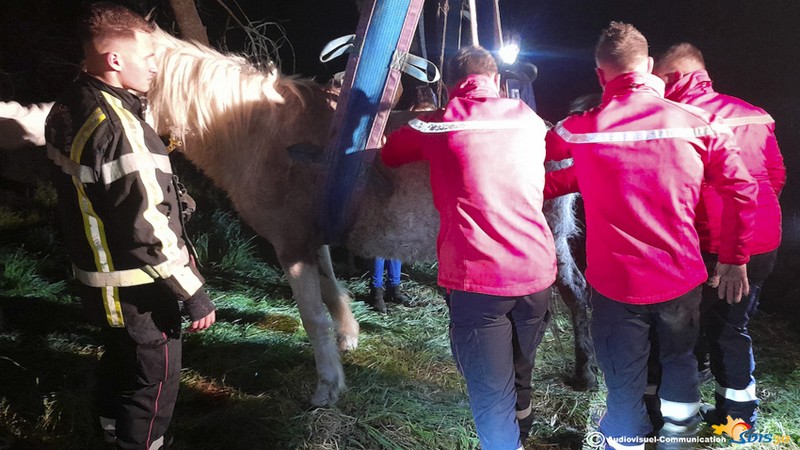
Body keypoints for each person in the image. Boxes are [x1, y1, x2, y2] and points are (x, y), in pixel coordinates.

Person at [544, 22, 757, 449]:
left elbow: (536, 163)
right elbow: (743, 190)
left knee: (623, 371)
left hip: (615, 284)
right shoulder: (701, 124)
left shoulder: (578, 130)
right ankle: (678, 438)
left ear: (600, 73)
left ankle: (625, 439)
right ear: (649, 67)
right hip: (679, 278)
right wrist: (734, 258)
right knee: (680, 359)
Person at [44, 4, 216, 449]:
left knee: (120, 360)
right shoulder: (123, 131)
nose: (156, 68)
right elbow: (148, 229)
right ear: (115, 60)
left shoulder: (71, 103)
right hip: (142, 288)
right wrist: (193, 294)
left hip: (98, 277)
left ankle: (109, 430)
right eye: (150, 58)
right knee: (154, 382)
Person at [382, 46, 556, 450]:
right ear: (496, 81)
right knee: (521, 369)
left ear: (447, 86)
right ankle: (522, 434)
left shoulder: (438, 124)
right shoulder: (529, 120)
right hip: (536, 275)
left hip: (479, 283)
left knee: (490, 392)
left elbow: (390, 154)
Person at [654, 43, 786, 429]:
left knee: (686, 328)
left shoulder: (676, 118)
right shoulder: (757, 115)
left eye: (659, 80)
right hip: (763, 243)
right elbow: (774, 177)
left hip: (708, 246)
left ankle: (682, 415)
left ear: (675, 77)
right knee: (733, 326)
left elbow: (674, 188)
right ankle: (738, 416)